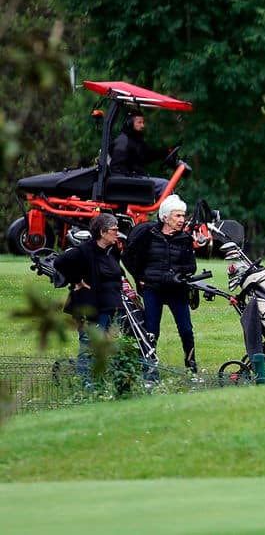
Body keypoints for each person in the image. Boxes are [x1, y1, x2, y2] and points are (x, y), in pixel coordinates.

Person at [122, 194, 199, 374]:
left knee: (186, 330)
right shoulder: (148, 236)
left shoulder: (186, 239)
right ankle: (149, 369)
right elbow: (128, 257)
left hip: (177, 290)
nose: (182, 220)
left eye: (183, 216)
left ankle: (191, 367)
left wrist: (178, 275)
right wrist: (139, 276)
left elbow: (191, 266)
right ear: (165, 217)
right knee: (151, 331)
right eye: (177, 216)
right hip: (153, 289)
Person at [54, 213, 125, 379]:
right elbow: (59, 263)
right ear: (102, 232)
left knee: (109, 348)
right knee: (89, 348)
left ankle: (102, 383)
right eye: (114, 229)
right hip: (92, 309)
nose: (117, 233)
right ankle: (87, 387)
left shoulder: (112, 251)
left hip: (112, 308)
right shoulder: (84, 251)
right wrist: (76, 280)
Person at [109, 109, 173, 199]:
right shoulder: (123, 141)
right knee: (165, 185)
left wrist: (167, 152)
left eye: (143, 122)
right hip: (129, 181)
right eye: (139, 122)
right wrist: (131, 176)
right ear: (130, 123)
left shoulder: (136, 140)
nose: (143, 125)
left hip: (135, 178)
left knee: (164, 183)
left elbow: (148, 155)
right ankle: (171, 211)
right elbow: (116, 167)